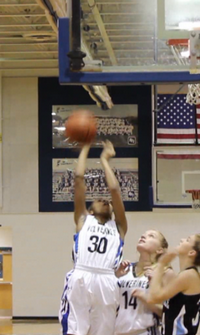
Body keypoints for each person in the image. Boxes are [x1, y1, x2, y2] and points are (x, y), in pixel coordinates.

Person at [59, 140, 128, 335]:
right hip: (81, 275)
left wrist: (105, 160)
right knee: (75, 330)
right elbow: (79, 177)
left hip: (107, 279)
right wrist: (86, 147)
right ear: (89, 210)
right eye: (99, 200)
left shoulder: (119, 226)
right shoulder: (83, 219)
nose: (104, 200)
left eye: (107, 202)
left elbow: (114, 191)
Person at [143, 234, 200, 335]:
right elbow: (169, 306)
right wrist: (156, 278)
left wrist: (161, 264)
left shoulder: (188, 276)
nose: (182, 239)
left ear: (191, 252)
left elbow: (152, 298)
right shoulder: (187, 275)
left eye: (187, 240)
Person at [116, 230, 173, 335]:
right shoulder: (124, 269)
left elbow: (168, 314)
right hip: (118, 331)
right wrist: (115, 277)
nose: (143, 236)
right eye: (143, 235)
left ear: (159, 250)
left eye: (151, 236)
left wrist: (145, 298)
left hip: (145, 331)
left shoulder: (164, 273)